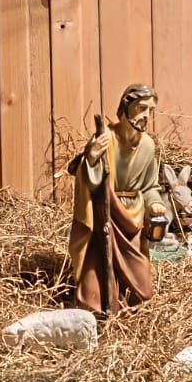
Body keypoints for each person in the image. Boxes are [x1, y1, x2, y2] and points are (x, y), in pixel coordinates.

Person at [66, 84, 167, 313]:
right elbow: (88, 180)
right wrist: (92, 158)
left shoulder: (148, 146)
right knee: (95, 288)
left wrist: (154, 202)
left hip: (133, 220)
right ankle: (103, 308)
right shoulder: (105, 138)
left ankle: (128, 308)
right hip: (105, 214)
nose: (146, 115)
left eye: (150, 110)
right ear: (126, 107)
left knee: (143, 291)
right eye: (141, 108)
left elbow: (149, 186)